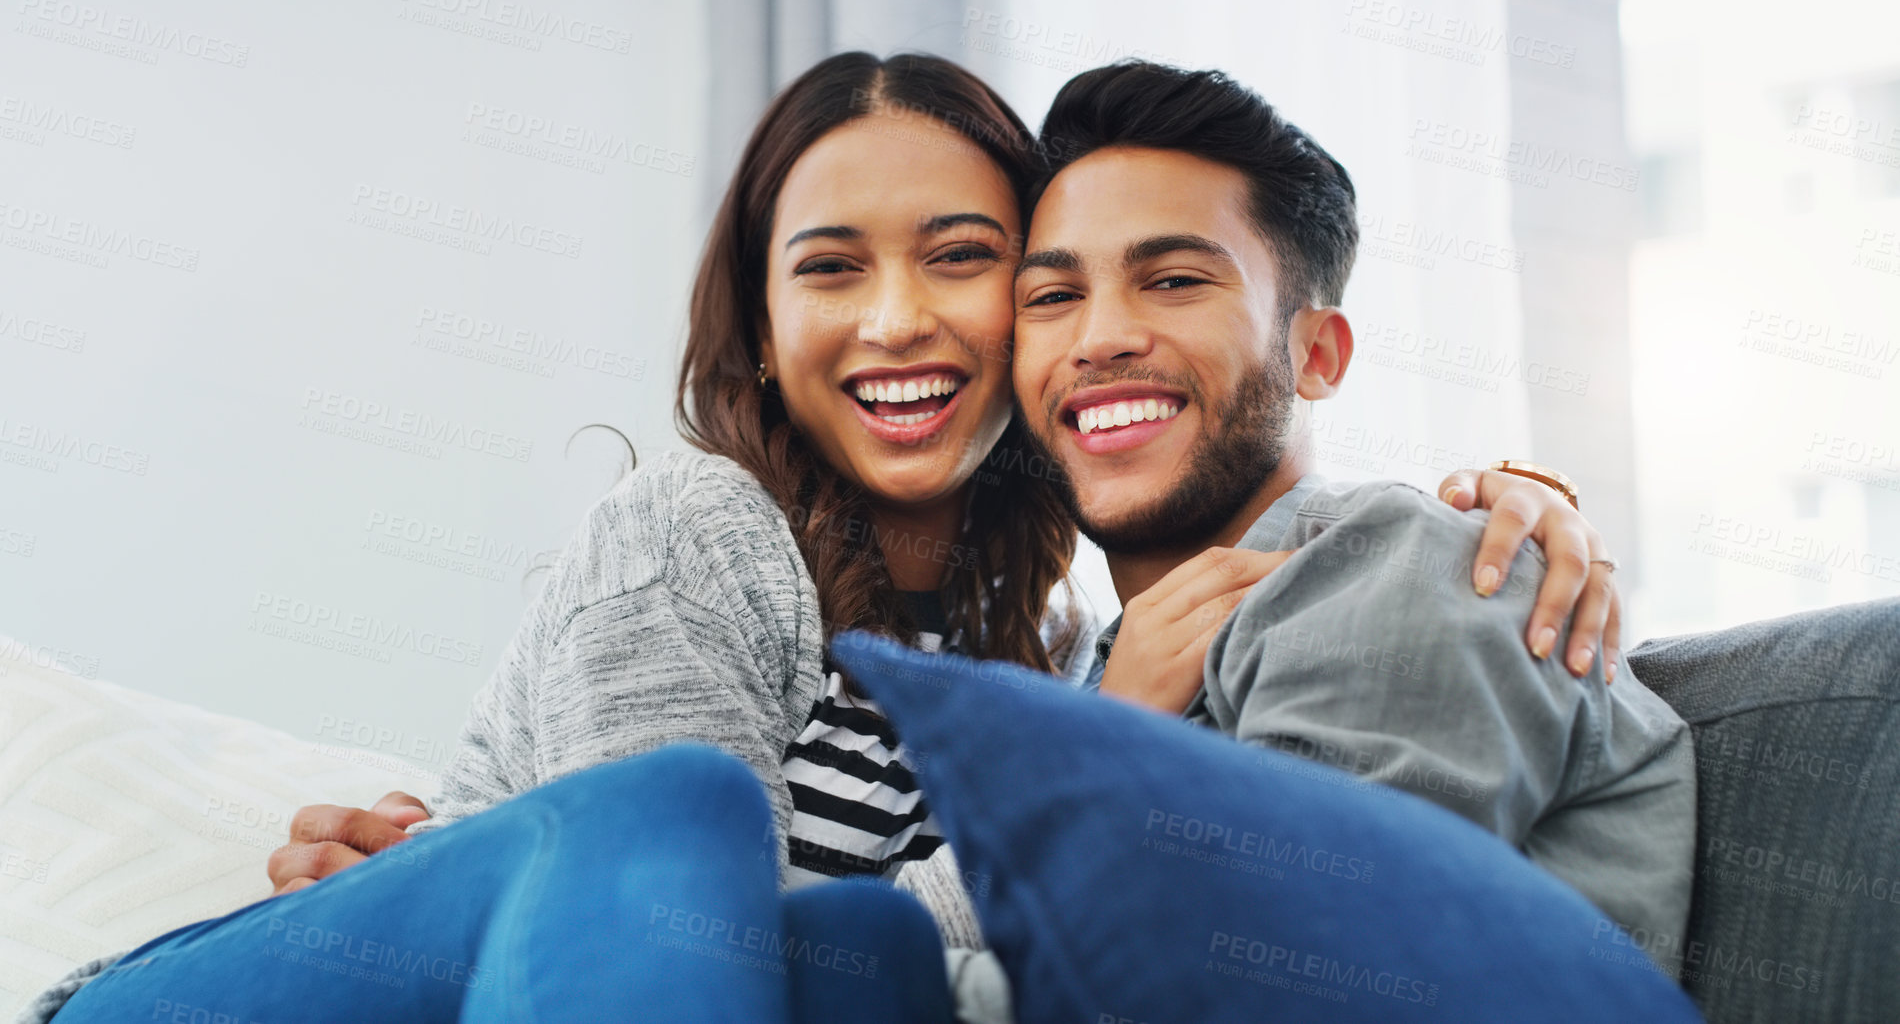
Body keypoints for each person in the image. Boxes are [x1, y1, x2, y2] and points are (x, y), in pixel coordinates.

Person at [25, 52, 1610, 1023]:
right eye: (831, 267)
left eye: (969, 257)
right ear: (764, 320)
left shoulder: (1052, 634)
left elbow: (1260, 485)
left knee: (862, 959)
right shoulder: (697, 531)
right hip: (241, 998)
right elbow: (671, 924)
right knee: (679, 825)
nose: (900, 317)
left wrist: (1509, 507)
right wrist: (1100, 731)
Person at [1005, 61, 1694, 950]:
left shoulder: (1399, 563)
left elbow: (1280, 973)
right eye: (1054, 297)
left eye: (1175, 280)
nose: (1098, 339)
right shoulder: (1094, 666)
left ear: (1319, 356)